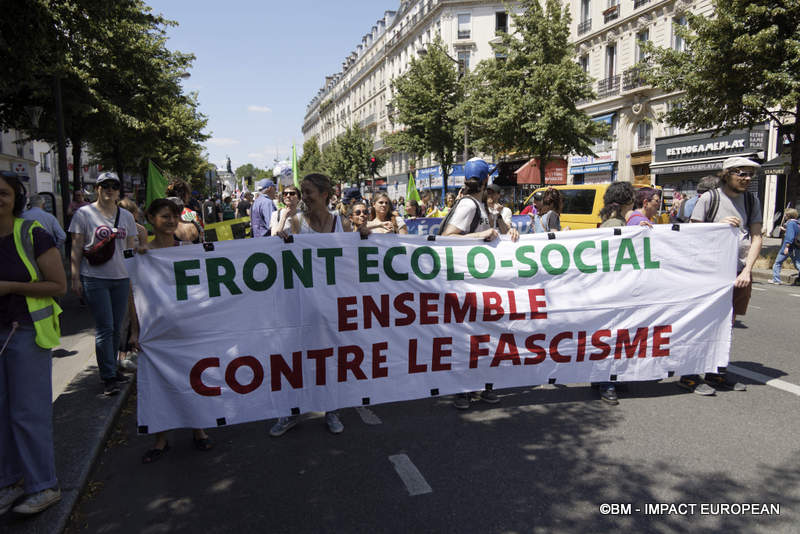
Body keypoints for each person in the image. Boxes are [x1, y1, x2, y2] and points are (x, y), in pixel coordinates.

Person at [0, 171, 66, 516]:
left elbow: (58, 285)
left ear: (16, 198)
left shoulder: (32, 233)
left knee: (28, 413)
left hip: (25, 332)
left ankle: (44, 486)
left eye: (3, 193)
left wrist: (10, 287)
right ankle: (9, 483)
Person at [271, 173, 356, 436]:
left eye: (308, 192)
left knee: (330, 360)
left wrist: (365, 237)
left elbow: (353, 262)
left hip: (333, 308)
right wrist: (282, 243)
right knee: (297, 360)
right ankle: (292, 412)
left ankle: (331, 409)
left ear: (325, 194)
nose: (303, 197)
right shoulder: (296, 223)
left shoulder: (342, 224)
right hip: (302, 306)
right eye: (302, 192)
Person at [130, 199, 213, 463]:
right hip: (156, 332)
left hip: (188, 329)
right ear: (151, 218)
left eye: (174, 216)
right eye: (164, 216)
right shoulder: (142, 255)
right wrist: (134, 331)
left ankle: (199, 430)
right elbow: (135, 296)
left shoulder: (188, 251)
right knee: (158, 385)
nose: (170, 221)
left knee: (194, 379)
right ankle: (161, 440)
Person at [441, 158, 519, 409]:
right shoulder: (468, 204)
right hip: (465, 285)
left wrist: (510, 233)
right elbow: (447, 238)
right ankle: (462, 390)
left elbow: (495, 234)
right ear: (485, 180)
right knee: (467, 339)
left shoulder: (479, 205)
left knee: (484, 338)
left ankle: (483, 384)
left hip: (479, 285)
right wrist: (480, 235)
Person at [682, 156, 763, 395]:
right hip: (709, 274)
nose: (747, 178)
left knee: (727, 325)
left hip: (738, 272)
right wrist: (718, 227)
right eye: (742, 173)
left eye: (750, 174)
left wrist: (747, 270)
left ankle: (717, 372)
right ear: (726, 173)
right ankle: (689, 374)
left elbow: (757, 236)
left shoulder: (751, 200)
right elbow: (691, 235)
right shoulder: (710, 198)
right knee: (702, 323)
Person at [68, 172, 137, 396]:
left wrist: (134, 274)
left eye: (114, 186)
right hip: (95, 278)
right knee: (105, 327)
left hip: (121, 277)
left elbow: (130, 248)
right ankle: (107, 376)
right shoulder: (84, 214)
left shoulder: (126, 216)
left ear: (119, 191)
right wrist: (75, 276)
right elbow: (76, 247)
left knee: (117, 327)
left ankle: (112, 367)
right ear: (97, 188)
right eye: (105, 185)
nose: (110, 189)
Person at [591, 181, 639, 405]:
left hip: (612, 288)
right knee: (610, 334)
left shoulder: (616, 221)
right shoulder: (614, 223)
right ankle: (605, 382)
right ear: (624, 201)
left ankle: (604, 378)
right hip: (611, 290)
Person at [770, 208, 799, 285]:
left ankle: (776, 280)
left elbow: (790, 236)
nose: (785, 216)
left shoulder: (790, 223)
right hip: (796, 247)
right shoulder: (797, 223)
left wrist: (787, 246)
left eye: (786, 214)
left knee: (777, 263)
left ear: (788, 215)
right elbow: (794, 232)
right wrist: (784, 229)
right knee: (797, 264)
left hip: (788, 247)